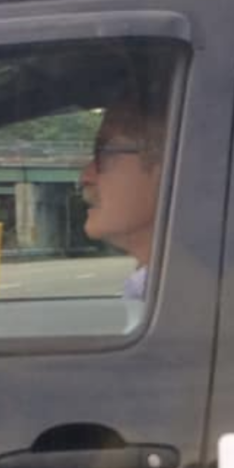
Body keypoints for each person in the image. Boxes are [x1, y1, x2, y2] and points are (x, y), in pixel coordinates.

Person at [80, 72, 169, 300]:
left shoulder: (188, 299)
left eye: (105, 153)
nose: (85, 176)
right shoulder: (162, 292)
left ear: (168, 166)